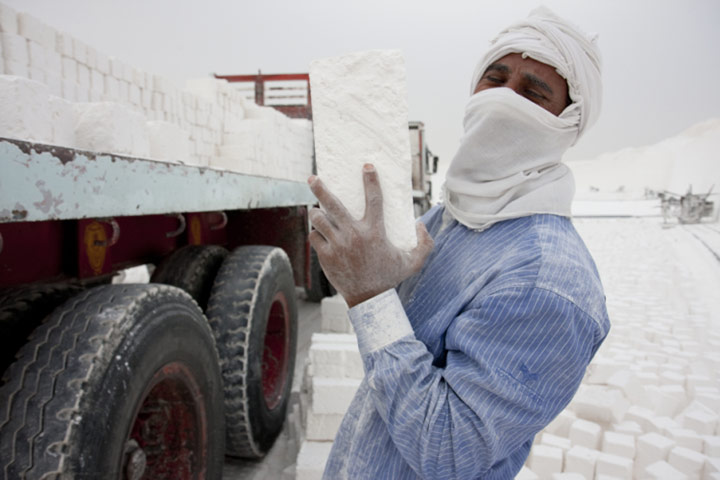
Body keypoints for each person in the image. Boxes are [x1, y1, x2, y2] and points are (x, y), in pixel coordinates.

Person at [307, 7, 610, 479]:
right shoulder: (449, 217)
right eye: (496, 78)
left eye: (533, 92)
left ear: (567, 123)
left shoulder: (549, 284)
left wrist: (369, 295)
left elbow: (449, 449)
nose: (505, 99)